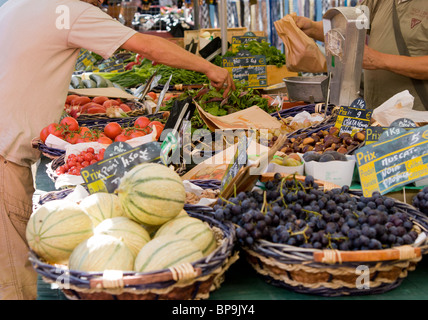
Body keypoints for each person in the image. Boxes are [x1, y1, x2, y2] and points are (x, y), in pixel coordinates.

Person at [0, 0, 234, 300]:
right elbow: (147, 47)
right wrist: (208, 67)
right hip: (4, 158)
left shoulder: (17, 4)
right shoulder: (67, 10)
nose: (100, 2)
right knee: (11, 284)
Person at [293, 0, 428, 111]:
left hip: (418, 118)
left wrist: (379, 60)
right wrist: (311, 28)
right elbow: (347, 27)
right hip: (376, 112)